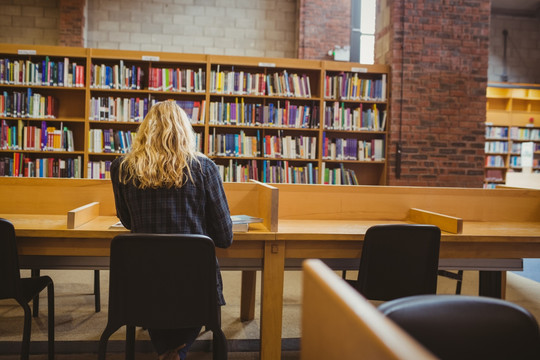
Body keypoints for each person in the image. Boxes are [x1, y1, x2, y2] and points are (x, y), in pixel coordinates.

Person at [110, 100, 233, 360]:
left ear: (145, 130)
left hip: (143, 284)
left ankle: (168, 350)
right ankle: (178, 350)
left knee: (158, 293)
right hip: (194, 285)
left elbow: (128, 221)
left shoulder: (122, 168)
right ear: (185, 131)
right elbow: (224, 237)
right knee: (189, 289)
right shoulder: (204, 168)